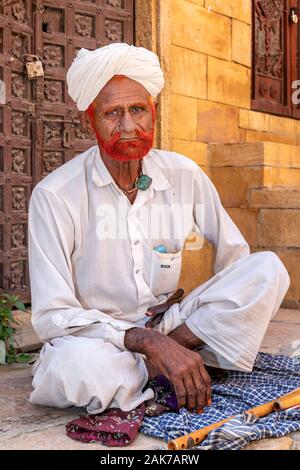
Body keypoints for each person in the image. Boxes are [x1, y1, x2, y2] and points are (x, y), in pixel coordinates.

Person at [28, 43, 290, 415]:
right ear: (91, 120)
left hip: (171, 323)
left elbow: (237, 259)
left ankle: (168, 359)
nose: (128, 126)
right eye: (112, 113)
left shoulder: (184, 174)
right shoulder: (55, 196)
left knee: (267, 270)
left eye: (138, 110)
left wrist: (199, 324)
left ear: (153, 113)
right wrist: (144, 341)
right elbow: (52, 317)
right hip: (101, 338)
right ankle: (165, 365)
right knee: (75, 371)